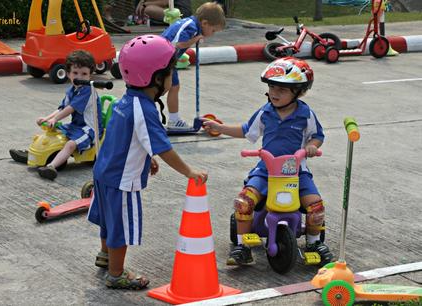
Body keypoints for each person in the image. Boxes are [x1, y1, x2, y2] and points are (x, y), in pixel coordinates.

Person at [87, 35, 208, 290]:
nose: (172, 78)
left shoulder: (126, 100)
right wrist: (189, 171)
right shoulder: (146, 108)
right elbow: (164, 147)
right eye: (170, 72)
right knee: (121, 226)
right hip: (122, 179)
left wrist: (146, 157)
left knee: (109, 219)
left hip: (104, 171)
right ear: (154, 77)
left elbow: (127, 137)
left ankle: (105, 255)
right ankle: (116, 273)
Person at [203, 57, 334, 266]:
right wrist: (220, 128)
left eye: (282, 89)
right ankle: (242, 246)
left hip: (297, 171)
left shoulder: (305, 114)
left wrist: (312, 146)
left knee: (316, 206)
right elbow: (246, 131)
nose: (275, 92)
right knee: (244, 202)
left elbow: (317, 135)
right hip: (266, 170)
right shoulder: (265, 113)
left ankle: (314, 242)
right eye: (272, 86)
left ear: (299, 91)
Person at [9, 50, 103, 181]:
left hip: (89, 129)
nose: (79, 77)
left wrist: (55, 119)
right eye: (75, 73)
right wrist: (47, 119)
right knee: (52, 131)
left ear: (90, 76)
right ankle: (33, 155)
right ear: (69, 74)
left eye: (84, 74)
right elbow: (62, 108)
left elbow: (70, 109)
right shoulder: (72, 89)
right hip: (75, 126)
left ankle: (51, 166)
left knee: (70, 144)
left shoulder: (87, 91)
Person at [161, 2, 226, 130]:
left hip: (167, 60)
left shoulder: (191, 24)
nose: (212, 34)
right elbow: (179, 44)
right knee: (163, 89)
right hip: (162, 59)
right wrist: (194, 40)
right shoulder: (191, 27)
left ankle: (173, 120)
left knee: (173, 87)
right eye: (213, 30)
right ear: (205, 23)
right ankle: (151, 116)